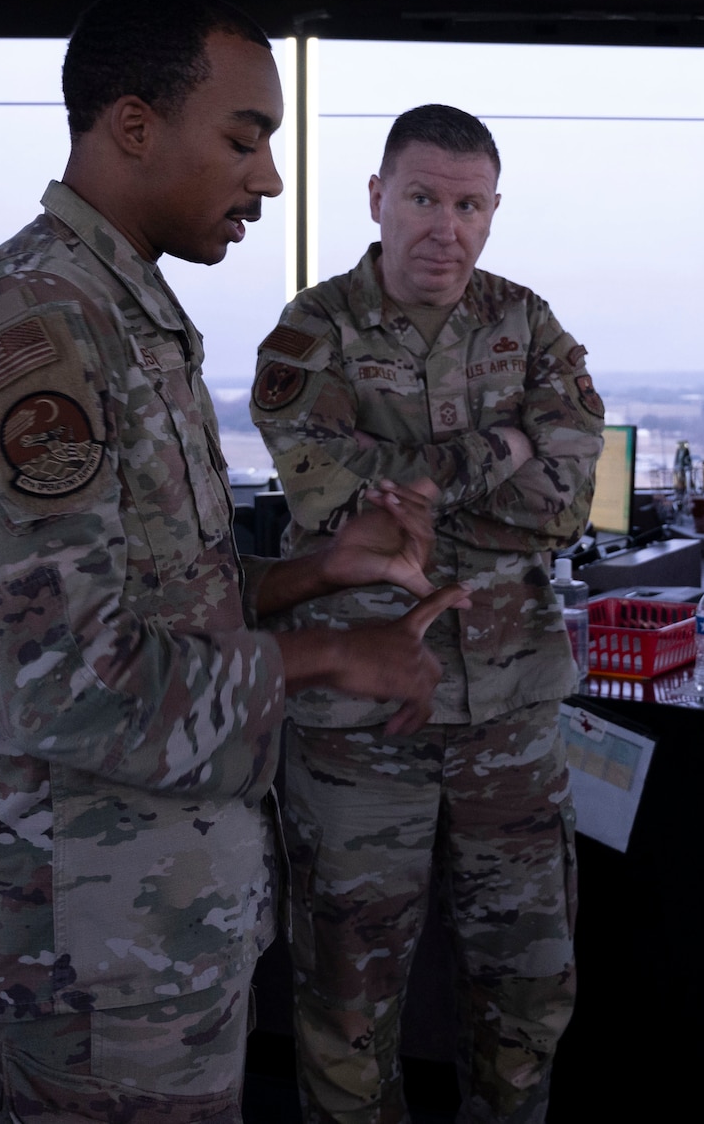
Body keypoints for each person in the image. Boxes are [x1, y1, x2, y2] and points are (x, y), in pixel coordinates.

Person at [0, 0, 468, 1124]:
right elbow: (62, 682)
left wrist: (319, 571)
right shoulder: (28, 328)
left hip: (156, 910)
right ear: (132, 127)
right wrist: (332, 658)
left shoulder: (125, 316)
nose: (266, 176)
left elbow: (162, 599)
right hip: (91, 942)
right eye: (243, 137)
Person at [250, 104, 604, 1123]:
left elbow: (566, 506)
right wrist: (508, 448)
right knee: (347, 1012)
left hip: (509, 717)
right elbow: (330, 497)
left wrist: (418, 481)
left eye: (467, 203)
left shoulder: (526, 321)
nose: (443, 225)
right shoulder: (309, 331)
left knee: (527, 990)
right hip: (357, 729)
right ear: (376, 198)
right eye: (421, 197)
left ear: (491, 212)